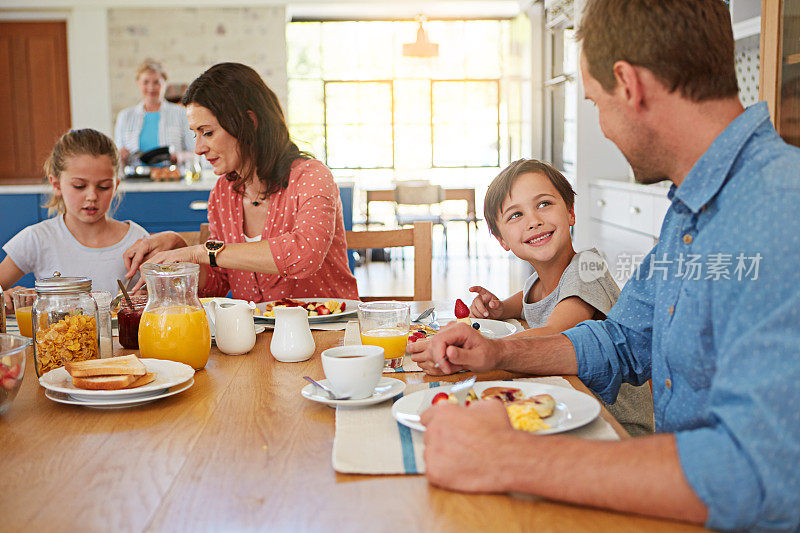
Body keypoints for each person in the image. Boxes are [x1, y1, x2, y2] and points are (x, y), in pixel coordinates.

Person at [409, 0, 800, 529]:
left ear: (628, 84)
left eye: (595, 103)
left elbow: (759, 473)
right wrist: (498, 349)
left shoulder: (779, 210)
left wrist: (506, 457)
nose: (604, 128)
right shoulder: (696, 209)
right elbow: (621, 340)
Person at [124, 63, 358, 302]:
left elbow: (303, 254)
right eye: (195, 134)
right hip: (254, 337)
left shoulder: (311, 177)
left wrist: (199, 252)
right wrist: (178, 247)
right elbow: (217, 282)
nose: (198, 148)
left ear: (249, 122)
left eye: (208, 132)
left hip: (329, 333)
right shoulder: (223, 194)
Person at [453, 158, 652, 436]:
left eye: (544, 204)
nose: (534, 221)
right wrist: (498, 309)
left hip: (616, 426)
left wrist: (487, 347)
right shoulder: (539, 280)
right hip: (569, 406)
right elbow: (529, 300)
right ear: (502, 241)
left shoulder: (586, 270)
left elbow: (555, 333)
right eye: (515, 215)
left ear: (570, 213)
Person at [1, 129, 149, 310]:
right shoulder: (38, 238)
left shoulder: (137, 239)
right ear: (56, 185)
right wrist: (6, 297)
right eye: (79, 186)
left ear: (115, 185)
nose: (92, 196)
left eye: (104, 187)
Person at [114, 58, 194, 166]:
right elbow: (116, 157)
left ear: (165, 84)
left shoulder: (181, 114)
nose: (151, 87)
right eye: (146, 82)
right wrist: (121, 156)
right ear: (138, 84)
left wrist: (180, 156)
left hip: (172, 179)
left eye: (156, 82)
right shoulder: (124, 116)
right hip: (135, 180)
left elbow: (196, 153)